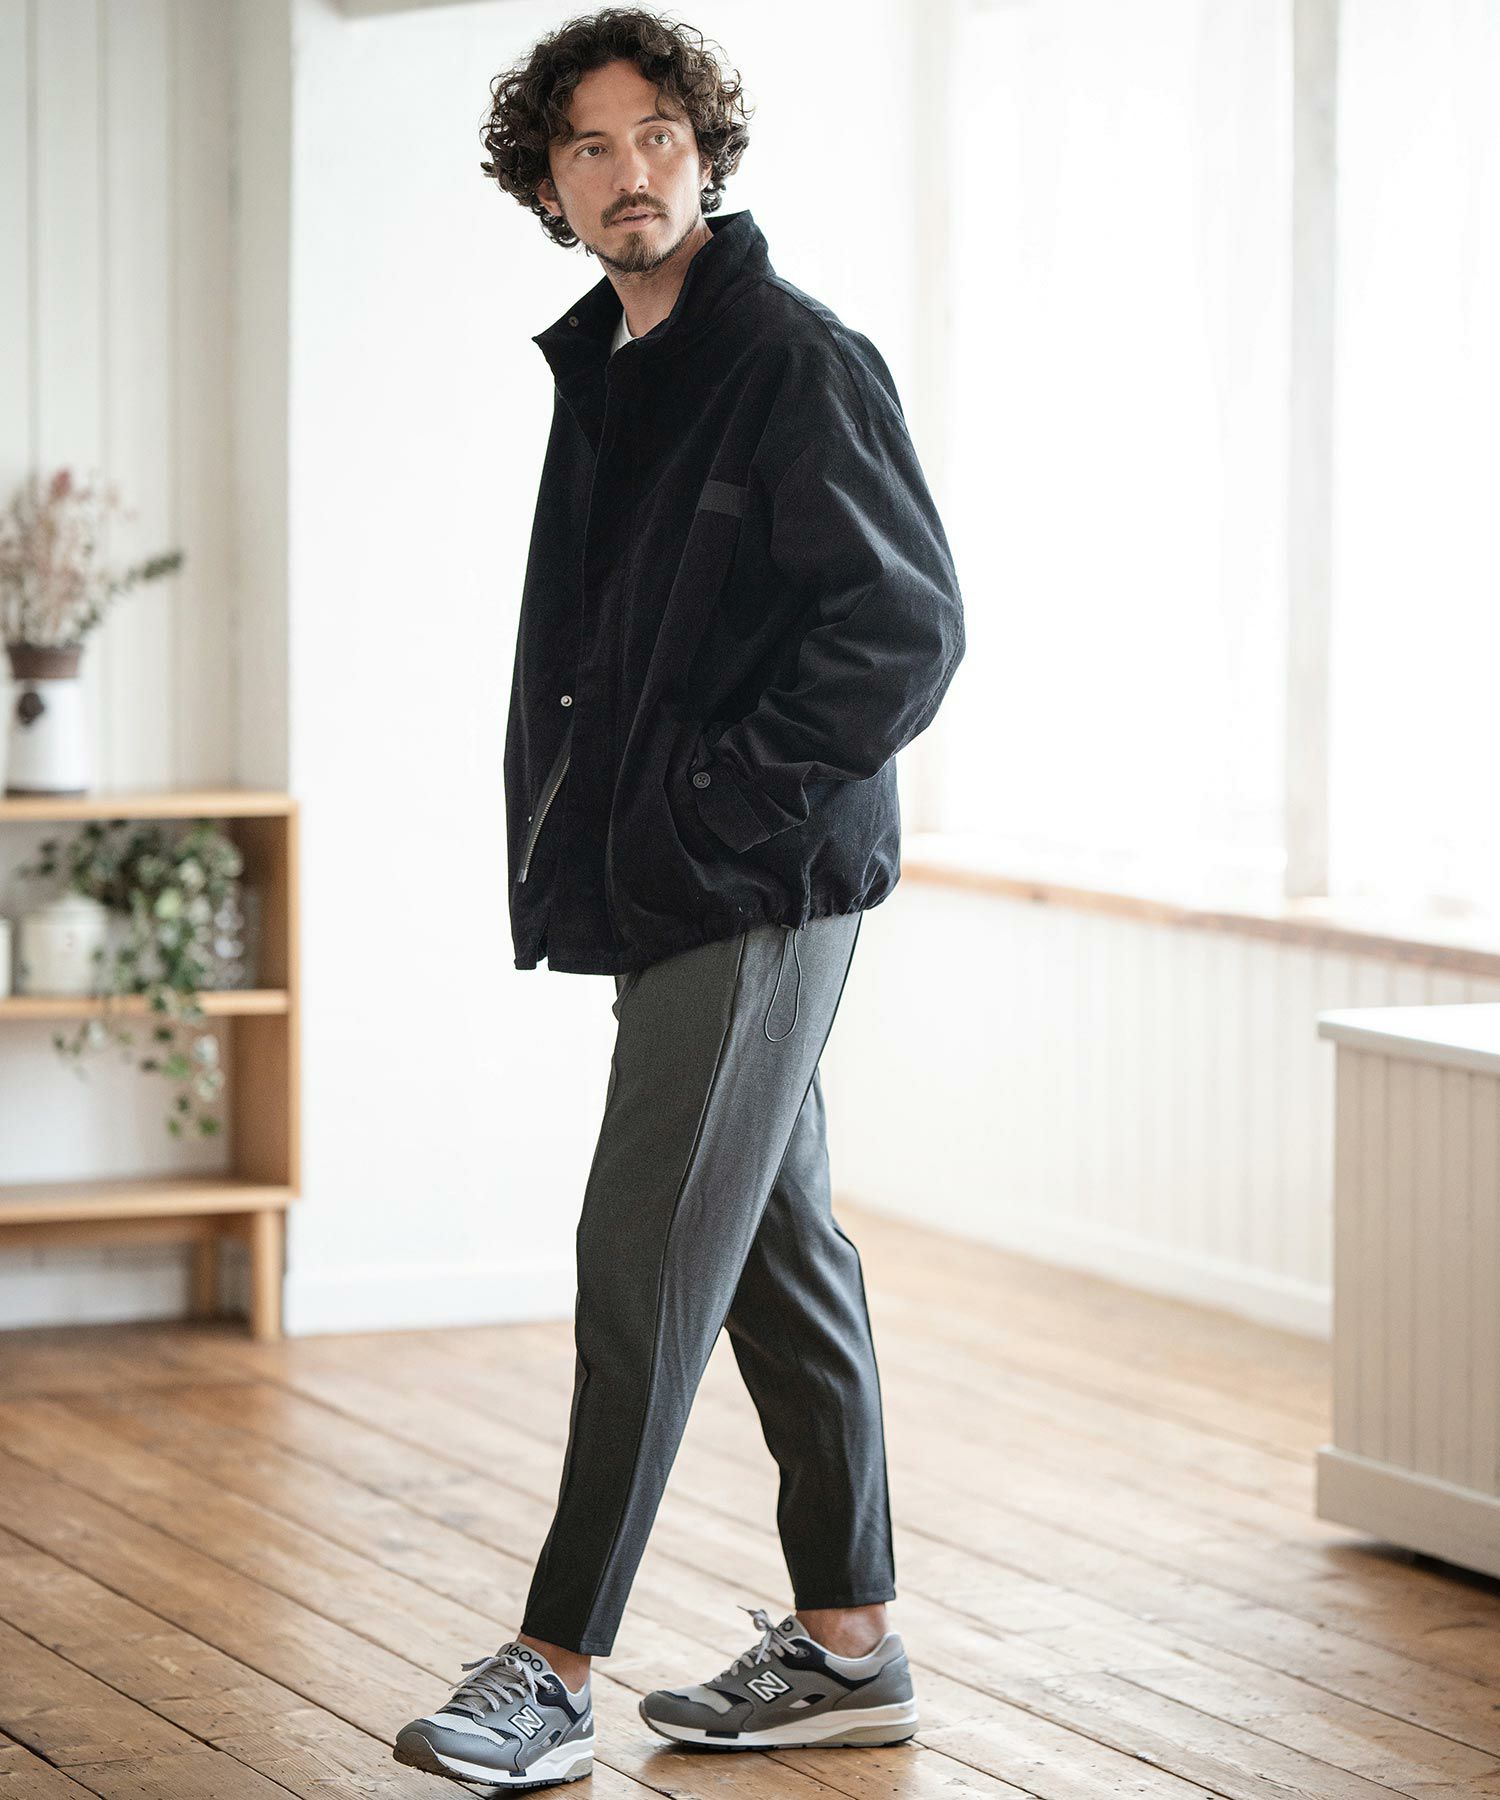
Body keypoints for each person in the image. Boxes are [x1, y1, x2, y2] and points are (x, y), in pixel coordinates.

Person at [395, 7, 965, 1789]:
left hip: (758, 881)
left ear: (703, 151)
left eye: (655, 135)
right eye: (588, 146)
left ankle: (553, 1667)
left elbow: (904, 631)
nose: (627, 170)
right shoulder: (617, 365)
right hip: (681, 878)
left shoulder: (790, 358)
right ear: (547, 186)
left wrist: (715, 809)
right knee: (780, 1254)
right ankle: (852, 1645)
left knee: (641, 1244)